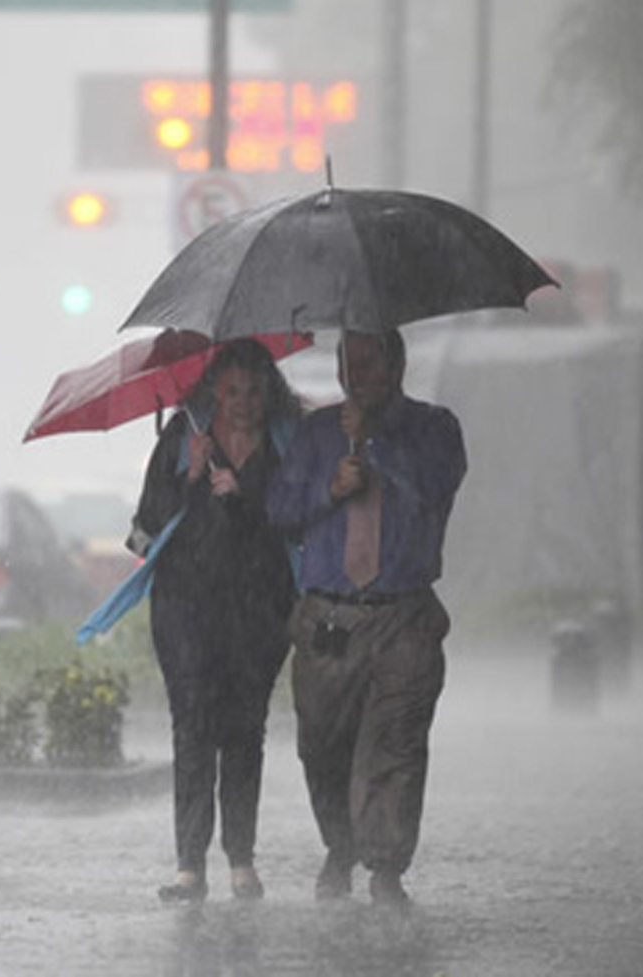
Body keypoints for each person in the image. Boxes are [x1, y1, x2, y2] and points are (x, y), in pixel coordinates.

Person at [266, 328, 466, 912]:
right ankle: (341, 846)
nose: (359, 377)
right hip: (328, 616)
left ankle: (385, 867)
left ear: (397, 366)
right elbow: (280, 510)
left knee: (396, 745)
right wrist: (330, 489)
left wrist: (376, 446)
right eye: (348, 365)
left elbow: (434, 489)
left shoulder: (435, 428)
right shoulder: (314, 434)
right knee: (323, 746)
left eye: (370, 364)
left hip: (402, 616)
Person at [131, 338, 301, 902]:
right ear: (214, 391)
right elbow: (143, 532)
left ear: (268, 393)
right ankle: (189, 866)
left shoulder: (287, 446)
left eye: (254, 391)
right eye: (231, 391)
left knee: (245, 731)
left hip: (259, 612)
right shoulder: (183, 440)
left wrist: (247, 493)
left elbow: (302, 517)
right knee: (193, 728)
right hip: (186, 610)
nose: (243, 403)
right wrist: (190, 477)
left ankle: (241, 861)